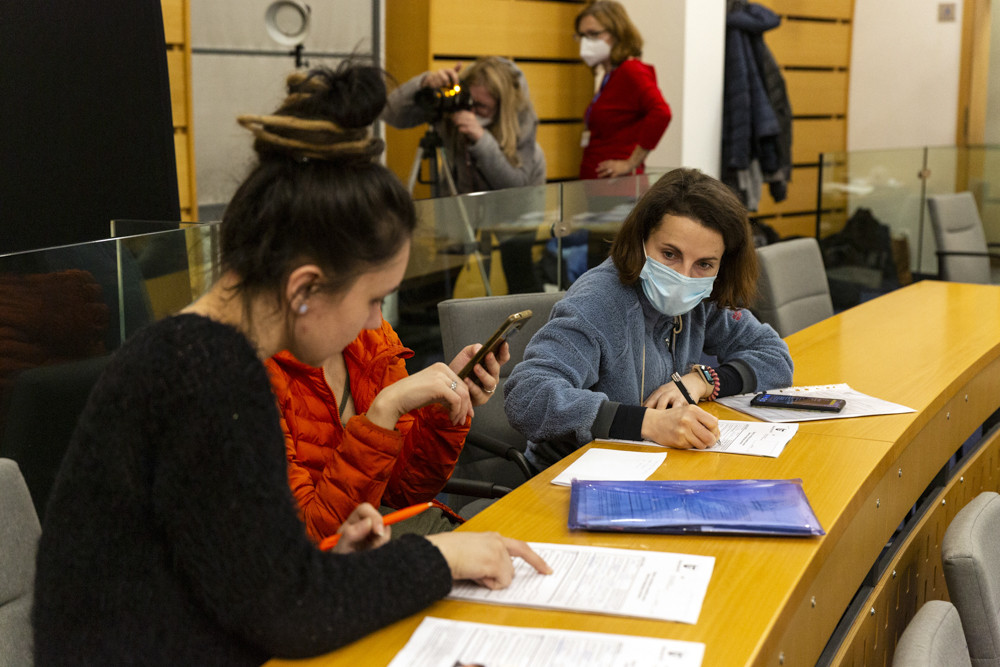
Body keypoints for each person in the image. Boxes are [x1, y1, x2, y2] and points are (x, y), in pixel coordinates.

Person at [32, 63, 550, 665]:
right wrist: (440, 557)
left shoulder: (193, 356)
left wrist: (329, 566)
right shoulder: (207, 377)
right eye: (371, 299)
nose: (373, 323)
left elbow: (251, 575)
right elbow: (288, 612)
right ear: (305, 287)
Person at [504, 168, 793, 472]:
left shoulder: (702, 298)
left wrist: (702, 381)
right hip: (572, 475)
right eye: (670, 254)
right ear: (641, 240)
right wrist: (648, 423)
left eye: (704, 264)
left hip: (655, 467)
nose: (683, 276)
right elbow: (528, 395)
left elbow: (775, 357)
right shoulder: (600, 300)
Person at [267, 314, 510, 541]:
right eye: (370, 297)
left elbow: (403, 494)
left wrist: (443, 408)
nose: (378, 318)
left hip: (392, 537)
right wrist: (385, 409)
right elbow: (317, 542)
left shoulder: (371, 337)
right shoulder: (254, 375)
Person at [382, 56, 546, 194]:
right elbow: (390, 114)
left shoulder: (523, 127)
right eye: (469, 102)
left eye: (481, 106)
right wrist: (423, 84)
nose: (471, 112)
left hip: (514, 226)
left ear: (502, 109)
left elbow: (516, 188)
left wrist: (482, 141)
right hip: (457, 221)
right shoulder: (455, 111)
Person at [575, 1, 672, 180]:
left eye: (593, 34)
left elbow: (662, 112)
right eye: (582, 36)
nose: (586, 42)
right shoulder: (610, 75)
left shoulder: (630, 71)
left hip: (618, 188)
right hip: (600, 187)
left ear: (617, 33)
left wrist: (630, 163)